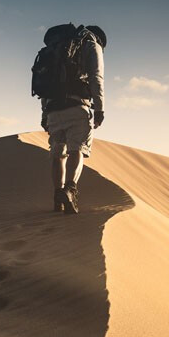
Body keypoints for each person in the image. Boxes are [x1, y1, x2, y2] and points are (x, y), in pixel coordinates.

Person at [41, 25, 106, 214]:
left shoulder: (57, 49)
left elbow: (46, 86)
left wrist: (45, 114)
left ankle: (57, 196)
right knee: (77, 149)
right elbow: (96, 77)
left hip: (53, 108)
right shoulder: (91, 44)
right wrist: (100, 109)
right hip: (77, 106)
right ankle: (70, 190)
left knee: (57, 153)